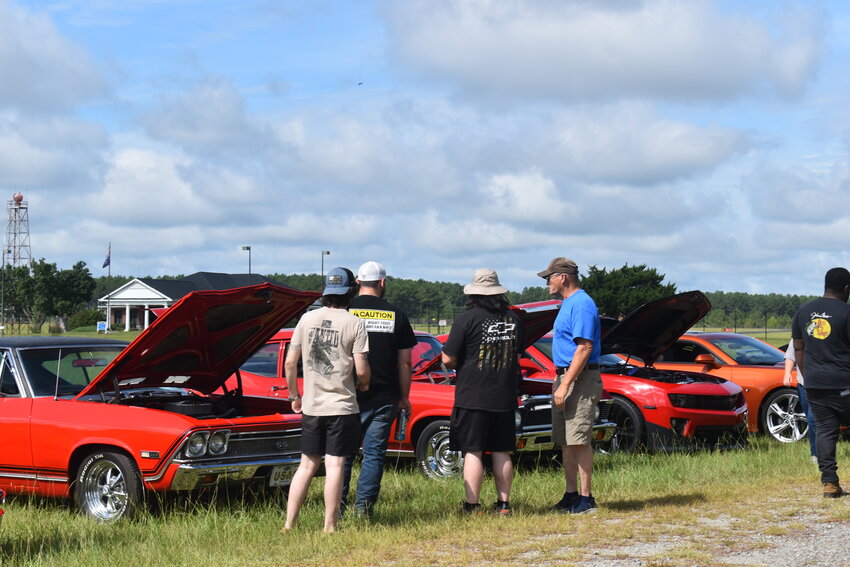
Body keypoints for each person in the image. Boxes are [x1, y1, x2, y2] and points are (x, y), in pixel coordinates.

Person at [283, 267, 371, 532]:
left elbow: (290, 363)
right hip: (342, 406)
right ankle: (329, 526)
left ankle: (289, 524)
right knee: (335, 464)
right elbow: (363, 369)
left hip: (312, 405)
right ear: (350, 293)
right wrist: (363, 385)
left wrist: (294, 396)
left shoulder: (306, 320)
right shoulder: (354, 322)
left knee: (307, 464)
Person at [441, 268, 524, 516]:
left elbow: (447, 358)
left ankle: (472, 505)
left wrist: (464, 362)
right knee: (501, 450)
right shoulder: (514, 320)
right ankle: (504, 505)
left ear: (474, 294)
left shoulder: (467, 319)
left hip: (473, 395)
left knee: (473, 450)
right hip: (505, 395)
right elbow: (517, 357)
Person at [341, 261, 417, 518]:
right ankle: (363, 510)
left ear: (359, 283)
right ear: (382, 283)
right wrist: (405, 397)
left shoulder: (346, 311)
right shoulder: (396, 314)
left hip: (348, 395)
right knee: (373, 455)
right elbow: (405, 361)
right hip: (385, 397)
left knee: (344, 454)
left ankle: (337, 508)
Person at [537, 256, 603, 514]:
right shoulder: (568, 303)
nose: (546, 283)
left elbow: (584, 347)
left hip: (580, 378)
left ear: (562, 277)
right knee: (566, 439)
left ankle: (586, 499)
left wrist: (566, 385)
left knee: (579, 439)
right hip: (565, 376)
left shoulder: (582, 304)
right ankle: (571, 494)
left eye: (548, 277)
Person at [791, 267, 850, 498]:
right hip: (845, 382)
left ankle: (830, 483)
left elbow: (798, 348)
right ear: (846, 288)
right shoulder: (847, 312)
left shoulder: (803, 311)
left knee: (825, 432)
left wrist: (809, 375)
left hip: (815, 383)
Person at [782, 346, 817, 462]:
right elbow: (791, 355)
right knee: (810, 419)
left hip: (823, 384)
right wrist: (787, 373)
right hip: (803, 384)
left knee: (813, 419)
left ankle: (816, 454)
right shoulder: (801, 331)